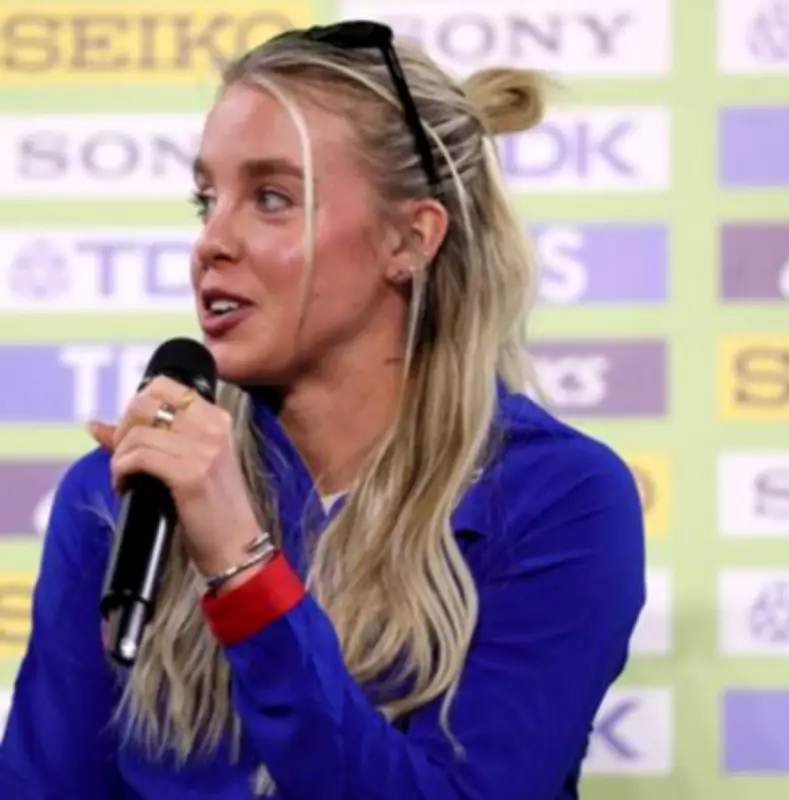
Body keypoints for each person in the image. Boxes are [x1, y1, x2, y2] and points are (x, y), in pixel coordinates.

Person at [0, 20, 646, 800]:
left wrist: (241, 568)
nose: (211, 242)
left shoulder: (557, 498)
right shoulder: (119, 497)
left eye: (271, 198)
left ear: (409, 238)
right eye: (206, 200)